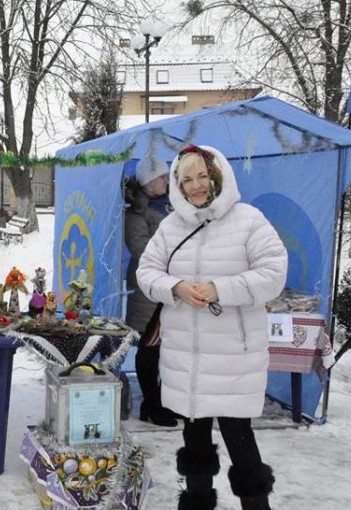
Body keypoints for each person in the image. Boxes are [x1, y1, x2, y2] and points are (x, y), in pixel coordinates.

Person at [136, 145, 287, 510]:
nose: (196, 186)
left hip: (233, 357)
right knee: (195, 437)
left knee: (239, 439)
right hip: (185, 357)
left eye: (202, 176)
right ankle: (197, 504)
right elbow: (146, 272)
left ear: (217, 176)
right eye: (186, 179)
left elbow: (273, 274)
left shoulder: (249, 220)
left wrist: (221, 288)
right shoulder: (171, 227)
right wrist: (176, 287)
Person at [124, 156, 177, 427]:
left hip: (173, 289)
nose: (167, 181)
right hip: (148, 291)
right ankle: (151, 404)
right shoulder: (136, 213)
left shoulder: (171, 207)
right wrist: (176, 259)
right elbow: (141, 250)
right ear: (148, 181)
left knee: (170, 349)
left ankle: (166, 402)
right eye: (162, 177)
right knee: (149, 348)